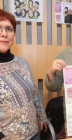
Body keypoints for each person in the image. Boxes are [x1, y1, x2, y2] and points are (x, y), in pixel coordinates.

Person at [0, 9, 48, 140]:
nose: (4, 33)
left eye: (9, 29)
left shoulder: (22, 63)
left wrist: (42, 118)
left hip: (33, 134)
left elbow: (33, 93)